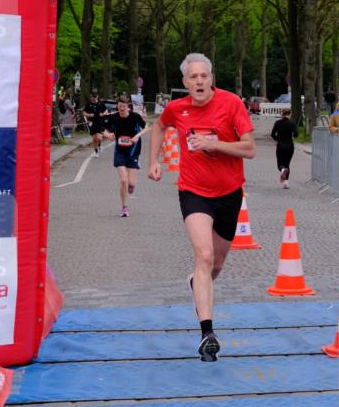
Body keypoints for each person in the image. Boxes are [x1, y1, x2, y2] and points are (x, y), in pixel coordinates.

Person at [148, 53, 255, 362]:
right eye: (192, 77)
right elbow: (158, 127)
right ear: (185, 83)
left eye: (203, 76)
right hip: (193, 192)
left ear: (211, 79)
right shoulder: (176, 109)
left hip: (229, 193)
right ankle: (207, 332)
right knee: (204, 255)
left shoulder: (231, 104)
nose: (198, 81)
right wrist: (153, 162)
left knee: (216, 263)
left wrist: (215, 144)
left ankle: (198, 283)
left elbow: (249, 149)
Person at [103, 94, 148, 217]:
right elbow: (104, 130)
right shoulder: (114, 117)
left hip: (133, 150)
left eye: (123, 106)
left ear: (128, 106)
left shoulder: (135, 117)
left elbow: (146, 128)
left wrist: (136, 136)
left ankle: (131, 185)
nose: (121, 108)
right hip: (120, 151)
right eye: (119, 106)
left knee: (131, 183)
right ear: (117, 107)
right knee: (124, 180)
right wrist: (108, 135)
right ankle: (124, 207)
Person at [270, 107, 297, 188]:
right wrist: (292, 136)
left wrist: (277, 139)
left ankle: (282, 170)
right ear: (290, 114)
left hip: (280, 145)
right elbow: (296, 134)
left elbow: (272, 134)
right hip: (290, 146)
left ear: (282, 114)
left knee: (280, 163)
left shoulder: (277, 123)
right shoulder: (292, 123)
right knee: (287, 164)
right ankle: (286, 183)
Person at [83, 89, 108, 154]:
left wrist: (102, 114)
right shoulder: (89, 104)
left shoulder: (101, 104)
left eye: (95, 96)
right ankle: (96, 150)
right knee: (94, 139)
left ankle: (99, 145)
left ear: (97, 96)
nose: (93, 98)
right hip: (92, 122)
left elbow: (106, 111)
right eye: (92, 97)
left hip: (100, 122)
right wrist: (89, 115)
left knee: (99, 138)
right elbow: (84, 112)